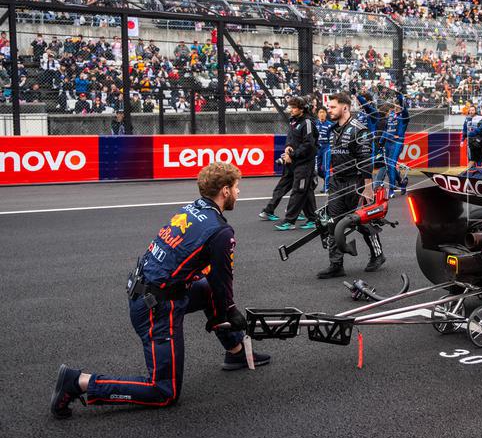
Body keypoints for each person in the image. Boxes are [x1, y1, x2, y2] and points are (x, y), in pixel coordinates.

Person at [50, 163, 269, 419]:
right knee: (165, 391)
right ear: (225, 191)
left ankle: (236, 352)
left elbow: (206, 276)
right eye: (236, 187)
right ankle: (79, 382)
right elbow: (223, 280)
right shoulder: (220, 231)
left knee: (209, 289)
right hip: (155, 309)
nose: (239, 192)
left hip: (149, 290)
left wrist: (223, 310)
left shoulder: (193, 208)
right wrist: (230, 312)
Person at [316, 93, 385, 279]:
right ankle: (336, 265)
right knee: (333, 223)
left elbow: (365, 160)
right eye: (328, 107)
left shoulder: (359, 129)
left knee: (361, 221)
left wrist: (368, 187)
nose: (328, 110)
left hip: (355, 182)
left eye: (332, 107)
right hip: (337, 182)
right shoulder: (333, 130)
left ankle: (378, 255)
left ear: (345, 107)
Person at [274, 97, 319, 231]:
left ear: (301, 109)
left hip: (305, 163)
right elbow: (291, 137)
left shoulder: (307, 122)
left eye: (293, 107)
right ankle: (313, 219)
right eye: (290, 107)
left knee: (299, 190)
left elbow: (309, 145)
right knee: (306, 190)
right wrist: (288, 147)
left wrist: (292, 155)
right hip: (295, 162)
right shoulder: (294, 121)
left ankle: (289, 221)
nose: (291, 110)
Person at [377, 92, 410, 196]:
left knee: (391, 165)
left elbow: (404, 109)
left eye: (398, 105)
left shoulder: (404, 117)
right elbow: (386, 130)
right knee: (388, 166)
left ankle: (391, 190)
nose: (396, 107)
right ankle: (401, 182)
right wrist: (381, 142)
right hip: (388, 143)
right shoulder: (391, 116)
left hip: (397, 143)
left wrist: (400, 97)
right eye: (395, 106)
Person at [315, 107, 333, 193]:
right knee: (318, 169)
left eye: (323, 112)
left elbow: (332, 139)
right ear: (318, 114)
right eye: (320, 112)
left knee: (326, 167)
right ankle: (327, 181)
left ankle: (327, 187)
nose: (322, 114)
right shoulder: (315, 124)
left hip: (327, 147)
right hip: (317, 148)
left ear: (326, 114)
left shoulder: (330, 125)